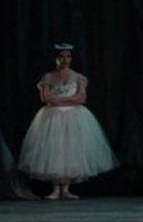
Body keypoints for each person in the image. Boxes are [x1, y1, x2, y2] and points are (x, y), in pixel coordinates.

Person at [18, 43, 117, 199]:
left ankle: (66, 189)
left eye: (68, 57)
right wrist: (69, 100)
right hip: (52, 116)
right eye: (61, 57)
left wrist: (60, 100)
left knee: (71, 149)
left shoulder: (78, 77)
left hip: (74, 116)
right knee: (55, 150)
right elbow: (46, 98)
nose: (65, 60)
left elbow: (82, 98)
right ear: (56, 58)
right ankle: (56, 188)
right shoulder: (48, 77)